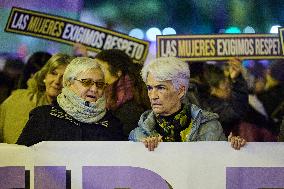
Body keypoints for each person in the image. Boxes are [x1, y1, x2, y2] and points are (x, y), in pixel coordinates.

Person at [129, 57, 246, 151]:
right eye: (150, 88)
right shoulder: (139, 134)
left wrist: (232, 149)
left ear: (180, 91)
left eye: (161, 88)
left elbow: (219, 168)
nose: (153, 96)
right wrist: (145, 150)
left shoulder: (210, 127)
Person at [17, 57, 126, 147]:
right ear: (69, 83)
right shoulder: (43, 117)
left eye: (100, 84)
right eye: (86, 82)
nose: (94, 89)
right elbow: (21, 158)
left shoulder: (113, 125)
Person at [0, 53, 73, 144]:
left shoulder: (72, 117)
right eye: (53, 73)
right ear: (45, 76)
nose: (57, 81)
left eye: (64, 77)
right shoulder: (18, 99)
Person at [95, 49, 150, 137]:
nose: (95, 73)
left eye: (100, 68)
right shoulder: (102, 98)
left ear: (117, 73)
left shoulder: (131, 109)